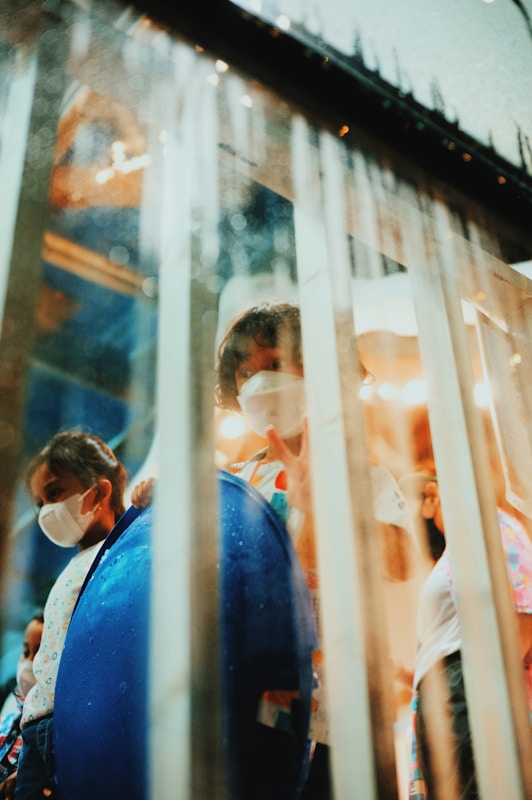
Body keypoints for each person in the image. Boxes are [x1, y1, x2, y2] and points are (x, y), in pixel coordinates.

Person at [215, 299, 419, 798]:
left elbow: (397, 558)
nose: (258, 382)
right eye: (245, 371)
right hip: (240, 701)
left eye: (276, 363)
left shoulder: (357, 470)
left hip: (330, 713)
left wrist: (327, 505)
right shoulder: (233, 483)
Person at [400, 474, 532, 800]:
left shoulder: (486, 527)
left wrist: (488, 698)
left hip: (465, 694)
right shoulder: (458, 548)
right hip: (452, 696)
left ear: (431, 496)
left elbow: (525, 610)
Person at [14, 431, 127, 800]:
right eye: (40, 501)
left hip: (69, 725)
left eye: (55, 492)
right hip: (38, 725)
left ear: (99, 490)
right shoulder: (75, 566)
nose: (46, 509)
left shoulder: (121, 554)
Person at [0, 613, 44, 800]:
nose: (28, 663)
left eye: (41, 653)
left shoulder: (50, 724)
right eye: (26, 653)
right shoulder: (12, 708)